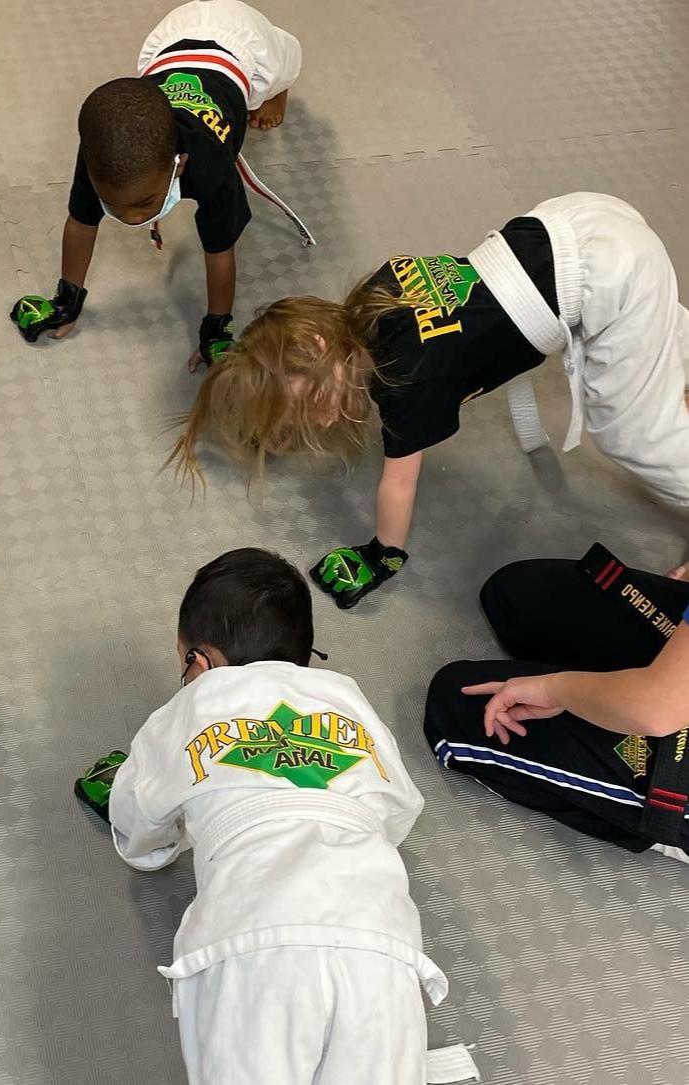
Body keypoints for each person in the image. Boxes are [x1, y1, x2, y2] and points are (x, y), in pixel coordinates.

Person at [74, 548, 480, 1085]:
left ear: (199, 660)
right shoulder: (347, 698)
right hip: (379, 942)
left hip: (253, 940)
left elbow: (139, 827)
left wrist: (165, 842)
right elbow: (401, 806)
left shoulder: (185, 710)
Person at [170, 192, 689, 608]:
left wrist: (382, 555)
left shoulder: (406, 383)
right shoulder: (373, 296)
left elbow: (399, 483)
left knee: (626, 431)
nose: (316, 424)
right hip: (574, 221)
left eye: (305, 409)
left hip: (606, 277)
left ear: (316, 346)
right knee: (660, 345)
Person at [9, 0, 308, 372]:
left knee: (280, 68)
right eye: (113, 205)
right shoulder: (98, 156)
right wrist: (67, 301)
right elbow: (80, 223)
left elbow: (220, 251)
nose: (132, 218)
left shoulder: (211, 166)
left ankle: (278, 92)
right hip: (174, 35)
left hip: (242, 43)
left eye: (146, 202)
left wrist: (216, 329)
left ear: (178, 163)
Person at [425, 550, 689, 863]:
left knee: (459, 707)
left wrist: (556, 690)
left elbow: (654, 708)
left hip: (661, 711)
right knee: (515, 596)